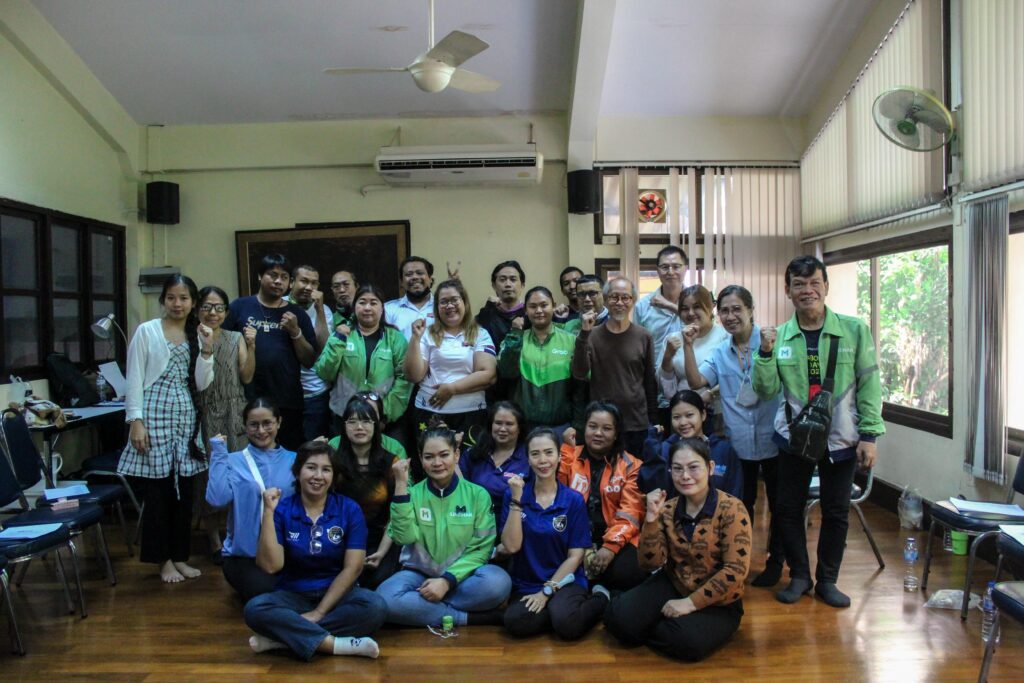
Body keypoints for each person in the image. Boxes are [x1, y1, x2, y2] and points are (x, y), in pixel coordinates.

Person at [753, 255, 884, 608]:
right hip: (794, 437)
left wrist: (869, 435)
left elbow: (870, 385)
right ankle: (799, 575)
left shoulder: (854, 330)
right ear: (787, 290)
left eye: (814, 283)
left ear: (826, 286)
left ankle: (827, 580)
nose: (807, 290)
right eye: (799, 284)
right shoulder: (778, 336)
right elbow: (765, 390)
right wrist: (764, 354)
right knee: (787, 508)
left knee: (836, 510)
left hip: (842, 436)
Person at [604, 438, 751, 662]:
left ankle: (656, 623)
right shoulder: (667, 508)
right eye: (678, 469)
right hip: (674, 582)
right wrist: (650, 520)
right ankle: (645, 617)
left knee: (686, 642)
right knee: (619, 621)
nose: (685, 476)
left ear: (710, 468)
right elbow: (649, 564)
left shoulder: (732, 509)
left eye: (693, 467)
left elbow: (735, 571)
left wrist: (690, 604)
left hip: (720, 600)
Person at [680, 285, 785, 587]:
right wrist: (688, 346)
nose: (730, 316)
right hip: (739, 443)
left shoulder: (773, 342)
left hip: (774, 437)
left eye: (737, 309)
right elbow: (697, 381)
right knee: (741, 504)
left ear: (751, 310)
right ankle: (739, 562)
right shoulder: (720, 352)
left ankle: (776, 563)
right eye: (724, 310)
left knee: (780, 506)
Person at [244, 441, 388, 660]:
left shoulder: (349, 509)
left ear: (334, 476)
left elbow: (353, 568)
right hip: (293, 594)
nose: (318, 476)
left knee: (375, 606)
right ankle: (336, 644)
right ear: (298, 471)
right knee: (255, 609)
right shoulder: (282, 509)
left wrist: (319, 612)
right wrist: (268, 512)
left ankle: (283, 640)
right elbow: (271, 566)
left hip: (338, 594)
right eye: (311, 467)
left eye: (326, 469)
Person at [119, 274, 215, 584]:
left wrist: (207, 350)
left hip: (185, 418)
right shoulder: (147, 331)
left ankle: (180, 556)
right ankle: (163, 560)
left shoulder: (197, 333)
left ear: (193, 302)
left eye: (184, 298)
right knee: (159, 492)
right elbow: (134, 378)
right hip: (154, 415)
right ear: (163, 300)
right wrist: (135, 420)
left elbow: (202, 383)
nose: (177, 303)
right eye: (171, 297)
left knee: (184, 491)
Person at [376, 428, 512, 627]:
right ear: (421, 459)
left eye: (444, 455)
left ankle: (424, 609)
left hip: (464, 577)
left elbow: (481, 549)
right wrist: (400, 486)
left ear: (456, 455)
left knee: (498, 582)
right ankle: (467, 618)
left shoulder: (477, 495)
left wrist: (446, 581)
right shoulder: (411, 494)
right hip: (419, 576)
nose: (437, 463)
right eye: (429, 457)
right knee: (385, 597)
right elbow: (403, 538)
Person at [500, 428, 608, 639]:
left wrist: (546, 592)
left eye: (549, 452)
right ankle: (560, 612)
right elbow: (512, 546)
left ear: (559, 456)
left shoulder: (573, 500)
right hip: (528, 583)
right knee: (515, 622)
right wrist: (516, 501)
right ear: (528, 458)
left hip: (566, 580)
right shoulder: (513, 494)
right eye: (535, 454)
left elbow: (575, 556)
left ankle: (601, 598)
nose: (543, 460)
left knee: (568, 627)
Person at [206, 398, 296, 601]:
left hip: (287, 552)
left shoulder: (295, 460)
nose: (261, 431)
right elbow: (217, 499)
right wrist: (219, 453)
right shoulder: (233, 460)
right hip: (245, 556)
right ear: (245, 427)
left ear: (279, 422)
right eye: (254, 425)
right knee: (266, 594)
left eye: (267, 423)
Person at [223, 253, 316, 450]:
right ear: (260, 276)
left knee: (288, 458)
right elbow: (222, 348)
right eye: (272, 275)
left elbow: (309, 360)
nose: (278, 281)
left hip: (287, 401)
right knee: (248, 457)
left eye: (284, 277)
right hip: (246, 399)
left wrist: (295, 332)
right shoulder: (240, 307)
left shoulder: (298, 314)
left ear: (290, 283)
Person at [557, 401, 646, 591]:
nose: (598, 433)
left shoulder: (631, 465)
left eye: (606, 428)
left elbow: (631, 512)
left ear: (616, 434)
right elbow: (555, 493)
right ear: (584, 428)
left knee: (627, 572)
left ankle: (599, 591)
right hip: (574, 536)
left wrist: (610, 547)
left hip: (615, 536)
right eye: (592, 426)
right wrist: (566, 450)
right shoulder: (570, 455)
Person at [195, 285, 256, 561]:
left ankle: (236, 535)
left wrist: (252, 345)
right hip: (206, 413)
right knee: (210, 477)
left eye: (219, 307)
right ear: (197, 310)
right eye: (207, 307)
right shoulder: (192, 338)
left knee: (238, 474)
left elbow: (246, 377)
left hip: (235, 411)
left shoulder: (235, 338)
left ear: (226, 312)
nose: (213, 313)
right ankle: (214, 540)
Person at [571, 277, 657, 459]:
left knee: (635, 472)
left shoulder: (644, 336)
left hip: (636, 422)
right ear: (605, 300)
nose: (619, 302)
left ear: (633, 301)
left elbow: (650, 382)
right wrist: (584, 334)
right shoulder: (591, 335)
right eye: (614, 297)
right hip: (602, 425)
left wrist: (653, 420)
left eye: (625, 298)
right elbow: (579, 373)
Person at [313, 284, 410, 439]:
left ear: (382, 308)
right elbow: (325, 373)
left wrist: (384, 413)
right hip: (344, 417)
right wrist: (338, 340)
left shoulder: (395, 338)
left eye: (373, 303)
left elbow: (404, 380)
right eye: (362, 302)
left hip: (384, 420)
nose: (367, 308)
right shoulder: (341, 334)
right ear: (354, 306)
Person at [404, 279, 497, 436]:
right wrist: (415, 338)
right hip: (428, 411)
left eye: (454, 300)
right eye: (443, 302)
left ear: (464, 302)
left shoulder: (480, 334)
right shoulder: (426, 334)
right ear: (437, 307)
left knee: (470, 453)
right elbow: (413, 375)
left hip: (471, 412)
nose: (449, 305)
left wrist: (451, 389)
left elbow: (488, 375)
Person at [331, 397, 402, 589]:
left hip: (379, 540)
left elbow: (396, 514)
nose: (359, 427)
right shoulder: (333, 461)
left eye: (366, 421)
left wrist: (381, 552)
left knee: (378, 582)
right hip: (338, 539)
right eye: (352, 421)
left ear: (376, 426)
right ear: (344, 426)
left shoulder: (391, 463)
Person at [497, 286, 585, 441]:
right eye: (533, 306)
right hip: (523, 428)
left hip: (562, 427)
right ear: (525, 310)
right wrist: (516, 333)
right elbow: (506, 371)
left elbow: (580, 387)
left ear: (553, 306)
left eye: (544, 305)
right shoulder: (515, 339)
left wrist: (577, 425)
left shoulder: (571, 341)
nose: (539, 310)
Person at [639, 390, 743, 501]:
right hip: (675, 511)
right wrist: (653, 454)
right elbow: (652, 489)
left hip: (721, 511)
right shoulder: (664, 450)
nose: (683, 422)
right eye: (676, 417)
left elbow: (735, 492)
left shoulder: (723, 450)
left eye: (689, 415)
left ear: (703, 415)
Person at [659, 284, 730, 424]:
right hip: (683, 413)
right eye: (685, 309)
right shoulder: (672, 339)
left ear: (710, 307)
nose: (690, 313)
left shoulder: (725, 337)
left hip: (717, 411)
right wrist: (668, 356)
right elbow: (666, 388)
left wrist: (711, 393)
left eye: (697, 307)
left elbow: (733, 378)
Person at [633, 246, 686, 416]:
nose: (670, 272)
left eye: (676, 266)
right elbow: (638, 348)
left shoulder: (696, 302)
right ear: (657, 270)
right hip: (655, 388)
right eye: (665, 267)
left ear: (685, 268)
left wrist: (669, 306)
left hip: (691, 383)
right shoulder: (643, 306)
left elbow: (705, 329)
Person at [458, 401, 531, 515]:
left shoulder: (529, 457)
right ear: (490, 425)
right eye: (498, 423)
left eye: (509, 424)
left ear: (519, 428)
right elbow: (459, 490)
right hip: (475, 518)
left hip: (514, 520)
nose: (502, 429)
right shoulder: (473, 453)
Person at [288, 265, 333, 441]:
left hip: (315, 392)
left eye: (314, 283)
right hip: (285, 391)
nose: (309, 287)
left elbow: (324, 348)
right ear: (292, 282)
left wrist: (319, 309)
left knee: (314, 446)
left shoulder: (324, 310)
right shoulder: (279, 304)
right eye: (304, 281)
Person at [329, 390, 407, 461]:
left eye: (371, 414)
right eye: (353, 421)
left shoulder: (395, 448)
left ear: (380, 418)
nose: (359, 426)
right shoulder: (333, 446)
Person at [475, 260, 527, 351]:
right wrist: (488, 309)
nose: (508, 284)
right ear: (494, 285)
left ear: (522, 285)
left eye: (513, 279)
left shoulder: (530, 313)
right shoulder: (486, 314)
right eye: (502, 280)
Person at [384, 256, 435, 341]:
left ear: (430, 279)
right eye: (409, 274)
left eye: (419, 273)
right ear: (401, 282)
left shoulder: (441, 308)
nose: (414, 277)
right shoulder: (388, 309)